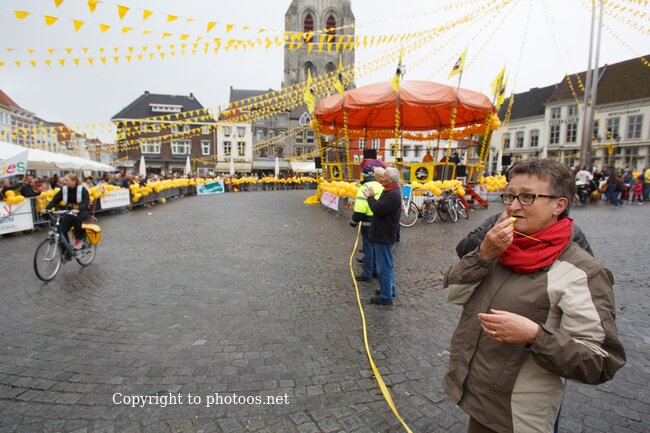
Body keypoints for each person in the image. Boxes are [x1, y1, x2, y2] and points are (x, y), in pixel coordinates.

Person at [443, 159, 625, 433]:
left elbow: (600, 361)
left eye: (527, 197)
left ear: (558, 205)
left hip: (520, 415)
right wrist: (483, 254)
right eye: (510, 196)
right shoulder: (499, 246)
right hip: (477, 397)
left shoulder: (583, 272)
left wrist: (535, 336)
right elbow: (453, 293)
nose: (513, 206)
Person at [363, 167, 402, 305]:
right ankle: (389, 289)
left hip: (383, 234)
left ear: (391, 180)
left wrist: (370, 197)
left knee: (383, 266)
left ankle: (386, 296)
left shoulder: (392, 194)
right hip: (384, 233)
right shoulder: (391, 191)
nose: (381, 178)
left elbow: (378, 209)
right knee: (387, 264)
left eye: (384, 176)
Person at [350, 165, 384, 281]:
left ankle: (367, 274)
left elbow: (360, 210)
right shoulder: (380, 186)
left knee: (368, 249)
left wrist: (353, 222)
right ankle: (375, 271)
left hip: (368, 223)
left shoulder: (363, 189)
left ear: (363, 175)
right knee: (375, 248)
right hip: (379, 221)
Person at [44, 173, 90, 250]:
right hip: (70, 211)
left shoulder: (82, 189)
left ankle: (79, 240)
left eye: (67, 180)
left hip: (83, 211)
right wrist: (46, 209)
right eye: (64, 180)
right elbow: (55, 201)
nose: (64, 182)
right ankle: (67, 250)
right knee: (62, 229)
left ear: (73, 181)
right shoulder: (64, 189)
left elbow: (86, 202)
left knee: (76, 219)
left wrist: (78, 209)